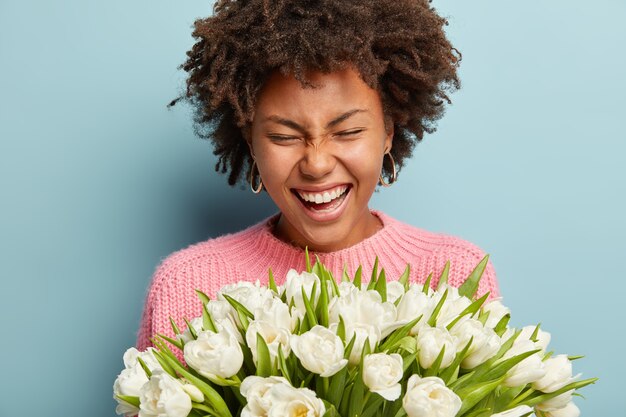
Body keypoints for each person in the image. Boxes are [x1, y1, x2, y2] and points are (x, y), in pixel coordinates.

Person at [136, 0, 500, 351]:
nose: (317, 163)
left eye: (347, 132)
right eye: (284, 137)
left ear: (388, 131)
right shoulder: (187, 283)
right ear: (250, 142)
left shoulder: (454, 275)